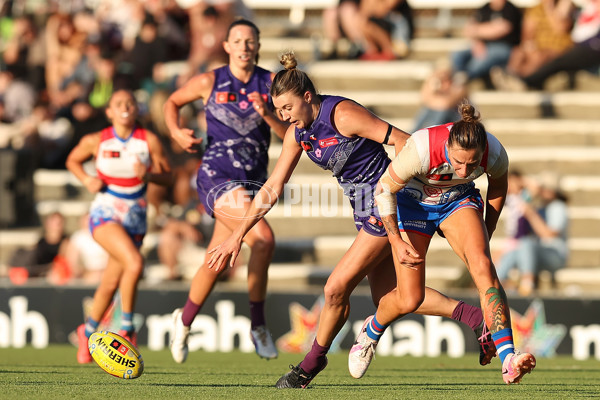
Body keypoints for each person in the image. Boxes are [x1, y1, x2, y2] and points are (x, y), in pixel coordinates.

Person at [207, 52, 497, 389]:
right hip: (364, 212)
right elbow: (272, 187)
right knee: (394, 298)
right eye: (279, 112)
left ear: (306, 97)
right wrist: (237, 235)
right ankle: (474, 317)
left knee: (335, 288)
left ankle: (308, 366)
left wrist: (429, 191)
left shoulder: (342, 114)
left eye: (287, 108)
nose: (284, 117)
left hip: (387, 205)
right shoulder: (297, 134)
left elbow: (404, 141)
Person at [348, 102, 536, 385]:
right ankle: (372, 331)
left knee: (484, 267)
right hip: (413, 206)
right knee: (409, 298)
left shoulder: (494, 152)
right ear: (447, 145)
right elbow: (384, 189)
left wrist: (487, 229)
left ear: (483, 152)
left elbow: (498, 186)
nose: (463, 169)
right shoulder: (422, 147)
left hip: (457, 202)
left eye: (472, 164)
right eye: (457, 161)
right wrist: (396, 242)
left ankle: (508, 357)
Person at [164, 19, 289, 363]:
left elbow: (289, 135)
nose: (245, 46)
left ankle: (184, 320)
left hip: (252, 182)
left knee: (216, 258)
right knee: (262, 239)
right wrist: (176, 132)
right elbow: (172, 103)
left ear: (258, 46)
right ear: (227, 46)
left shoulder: (271, 84)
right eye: (238, 41)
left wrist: (267, 115)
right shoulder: (211, 80)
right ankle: (259, 325)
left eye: (251, 41)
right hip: (216, 176)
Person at [65, 89, 172, 363]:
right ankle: (126, 326)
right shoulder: (96, 140)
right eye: (118, 104)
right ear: (109, 111)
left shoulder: (148, 140)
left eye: (130, 103)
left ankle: (87, 331)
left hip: (136, 214)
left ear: (137, 109)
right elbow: (72, 160)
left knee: (111, 280)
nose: (125, 107)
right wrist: (87, 179)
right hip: (106, 210)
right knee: (135, 263)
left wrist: (147, 175)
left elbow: (168, 178)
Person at [496, 172, 569, 296]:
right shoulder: (540, 207)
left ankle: (527, 283)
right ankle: (496, 285)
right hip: (537, 251)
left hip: (555, 255)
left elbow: (549, 235)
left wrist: (530, 213)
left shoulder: (558, 207)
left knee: (525, 243)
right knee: (511, 253)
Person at [451, 0, 522, 85]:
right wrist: (477, 42)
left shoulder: (510, 8)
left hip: (505, 48)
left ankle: (465, 79)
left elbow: (503, 29)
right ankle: (461, 78)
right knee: (458, 54)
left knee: (481, 60)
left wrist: (477, 30)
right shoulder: (484, 8)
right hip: (483, 45)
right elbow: (468, 28)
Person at [412, 58, 468, 132]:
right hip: (441, 114)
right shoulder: (436, 84)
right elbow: (423, 99)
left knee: (442, 112)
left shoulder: (458, 85)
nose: (441, 77)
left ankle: (431, 133)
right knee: (426, 110)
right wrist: (431, 84)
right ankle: (413, 133)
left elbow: (446, 105)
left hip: (457, 119)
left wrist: (433, 99)